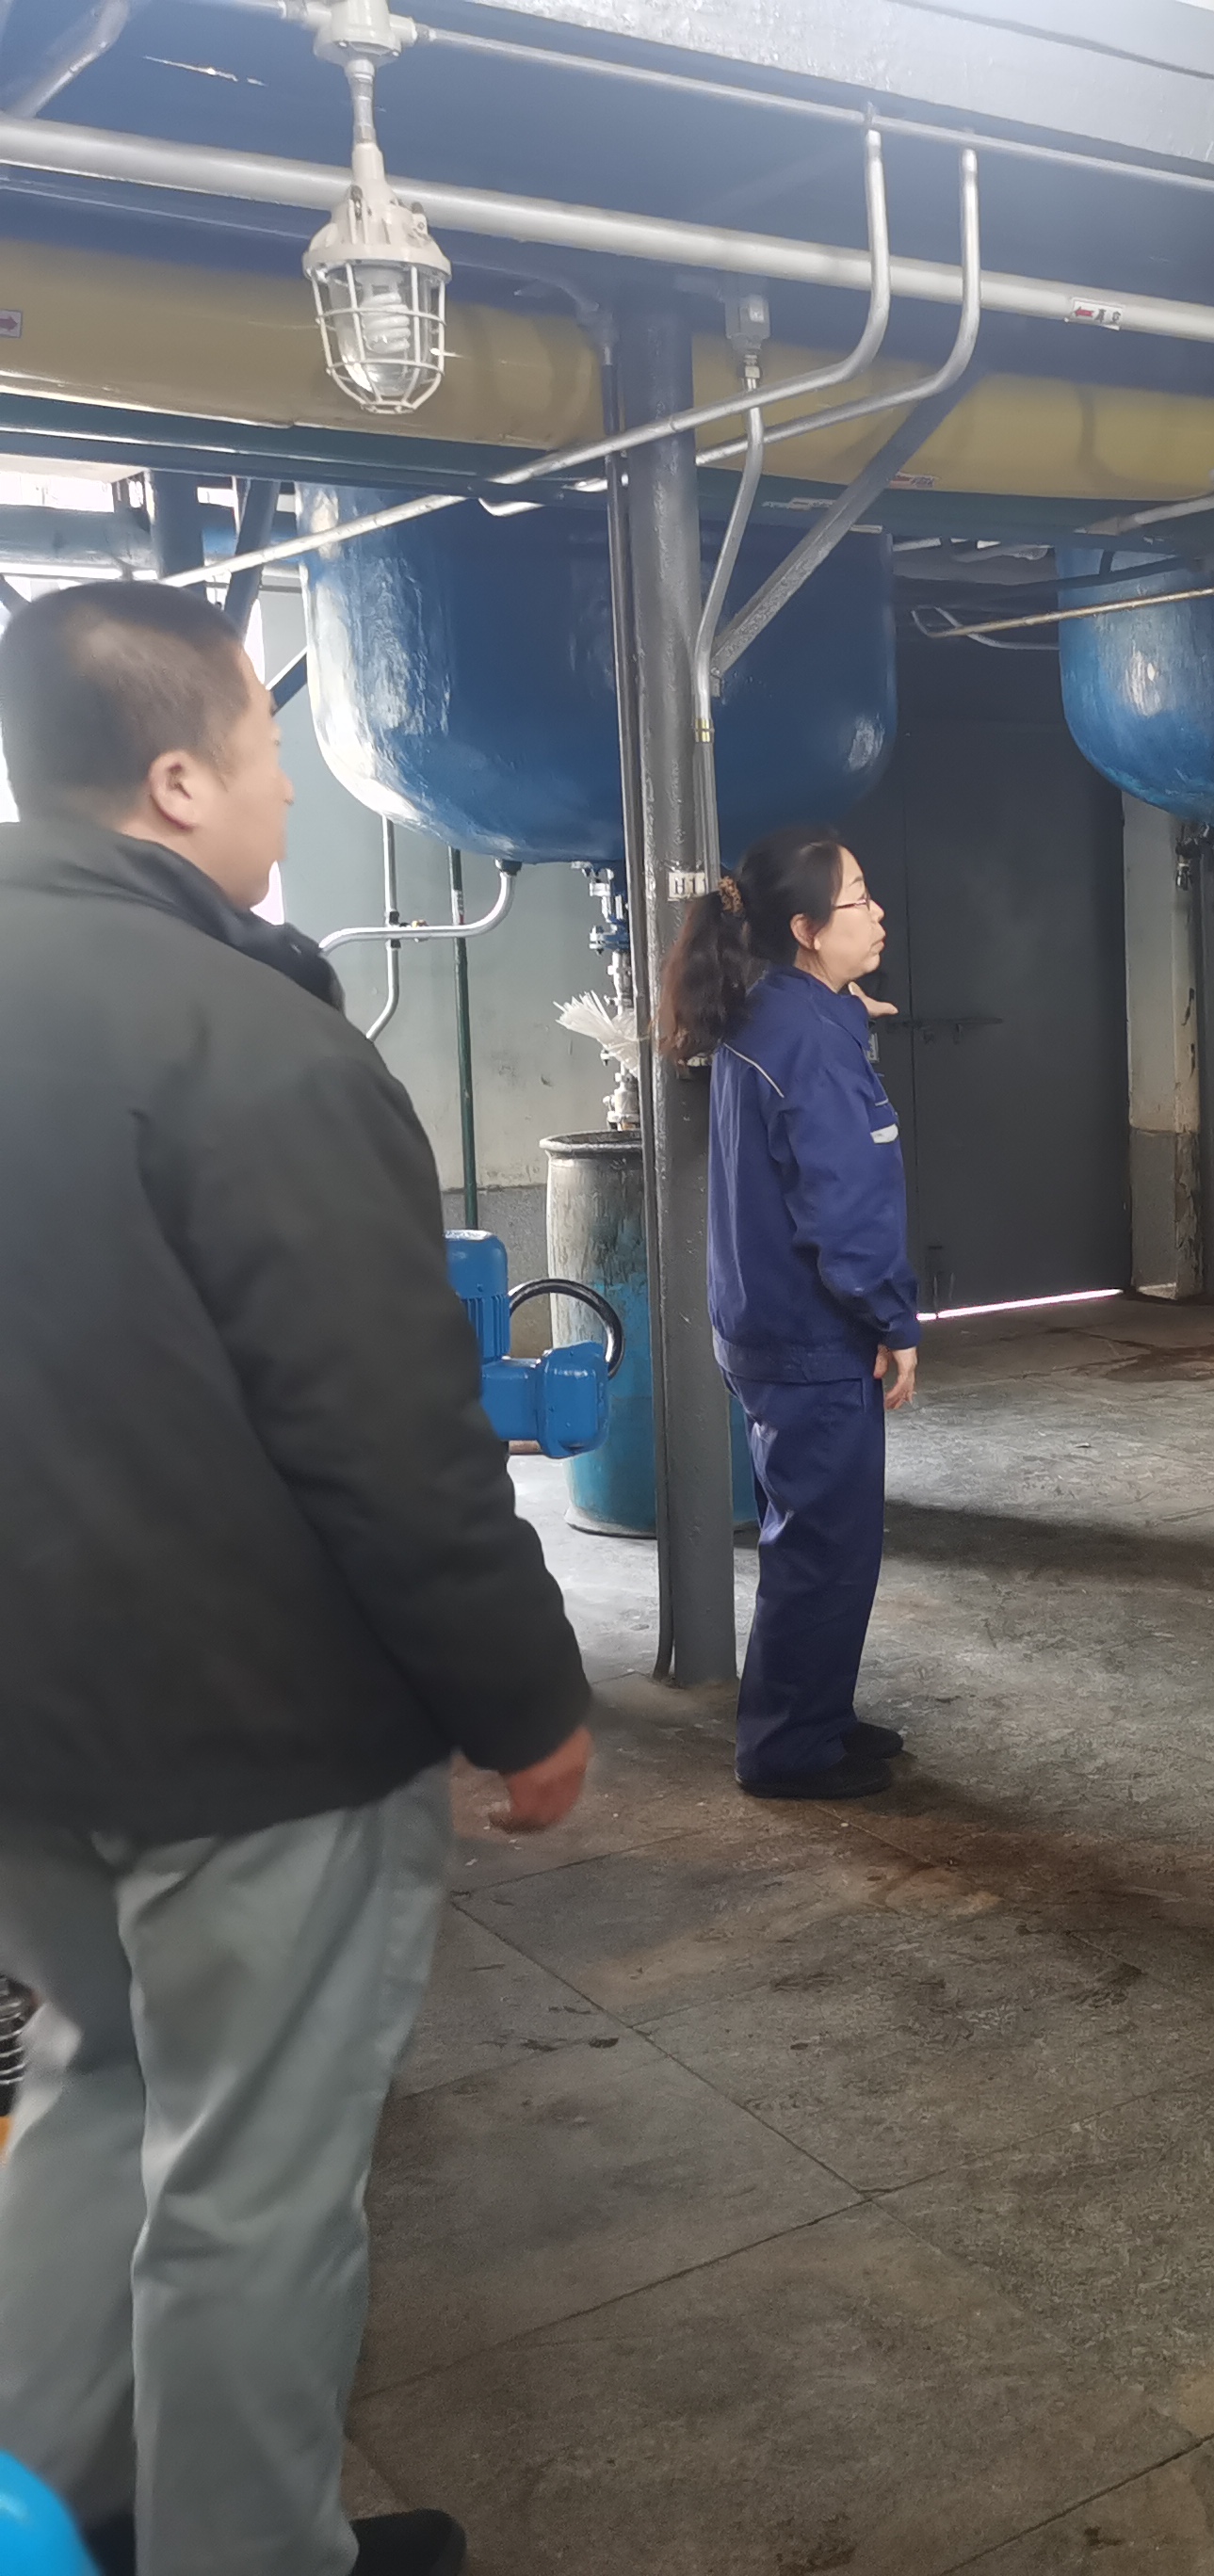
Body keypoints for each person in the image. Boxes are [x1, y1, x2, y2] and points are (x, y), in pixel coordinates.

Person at [0, 581, 592, 2576]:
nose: (279, 796)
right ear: (179, 780)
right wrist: (526, 1700)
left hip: (25, 1733)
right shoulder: (250, 1042)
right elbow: (392, 1441)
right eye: (267, 754)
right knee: (252, 2181)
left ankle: (47, 2525)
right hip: (250, 1737)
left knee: (95, 2085)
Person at [661, 827, 923, 1800]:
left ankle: (818, 1717)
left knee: (822, 1542)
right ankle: (785, 1750)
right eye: (858, 900)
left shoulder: (782, 1010)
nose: (879, 913)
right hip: (812, 1335)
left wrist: (848, 1012)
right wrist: (895, 1325)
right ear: (808, 930)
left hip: (767, 1323)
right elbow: (844, 1215)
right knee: (819, 1551)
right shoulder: (807, 1043)